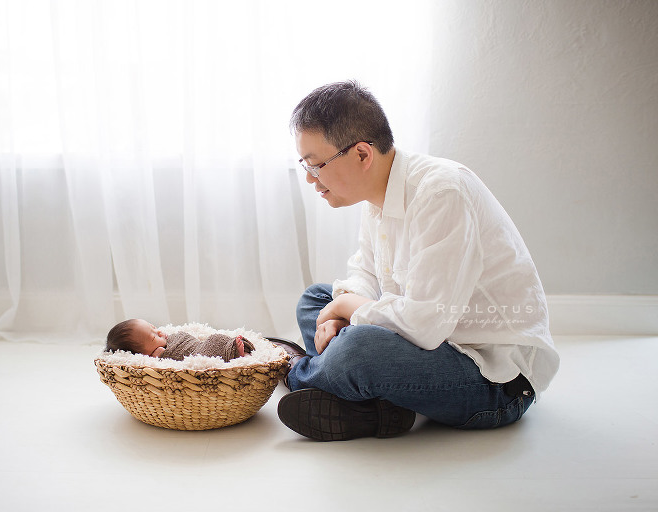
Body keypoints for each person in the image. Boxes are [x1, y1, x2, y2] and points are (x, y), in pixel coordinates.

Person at [271, 81, 560, 441]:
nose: (311, 179)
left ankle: (292, 370)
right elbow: (365, 273)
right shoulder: (377, 198)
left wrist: (347, 309)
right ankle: (377, 409)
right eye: (304, 165)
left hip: (491, 380)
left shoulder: (441, 193)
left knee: (358, 350)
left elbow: (424, 323)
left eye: (316, 165)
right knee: (315, 298)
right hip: (431, 346)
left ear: (362, 154)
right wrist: (343, 309)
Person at [106, 319, 254, 362]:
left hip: (198, 345)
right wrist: (159, 355)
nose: (158, 332)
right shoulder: (157, 355)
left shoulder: (168, 339)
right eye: (153, 337)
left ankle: (232, 348)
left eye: (154, 327)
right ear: (143, 354)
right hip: (199, 352)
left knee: (214, 338)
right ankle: (233, 353)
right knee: (213, 342)